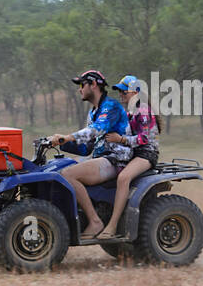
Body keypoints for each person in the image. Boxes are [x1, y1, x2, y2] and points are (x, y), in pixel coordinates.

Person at [50, 69, 131, 240]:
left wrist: (68, 136)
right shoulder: (93, 112)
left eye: (81, 84)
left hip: (116, 159)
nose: (79, 89)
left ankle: (95, 222)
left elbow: (96, 130)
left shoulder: (111, 106)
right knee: (60, 167)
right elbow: (87, 148)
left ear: (93, 84)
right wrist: (63, 144)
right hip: (101, 158)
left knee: (68, 175)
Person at [95, 74, 160, 239]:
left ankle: (112, 225)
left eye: (125, 91)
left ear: (136, 92)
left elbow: (144, 139)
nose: (121, 94)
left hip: (146, 153)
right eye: (119, 91)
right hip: (131, 152)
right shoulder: (129, 111)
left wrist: (121, 139)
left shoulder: (143, 110)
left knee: (123, 178)